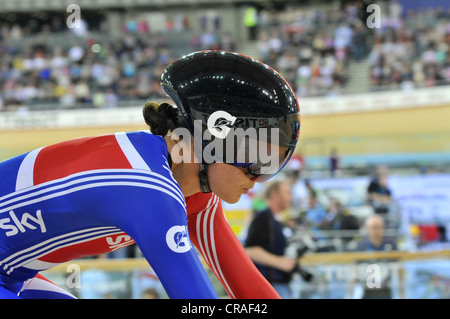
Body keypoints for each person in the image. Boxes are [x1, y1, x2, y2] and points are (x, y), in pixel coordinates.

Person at [0, 50, 300, 299]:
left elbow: (247, 286)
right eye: (258, 161)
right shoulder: (150, 188)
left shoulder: (195, 193)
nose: (259, 179)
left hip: (13, 275)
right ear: (214, 141)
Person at [244, 181, 298, 299]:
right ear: (275, 195)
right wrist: (280, 262)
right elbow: (251, 250)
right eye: (287, 193)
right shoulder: (263, 218)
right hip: (269, 286)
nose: (291, 197)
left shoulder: (274, 219)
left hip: (277, 284)